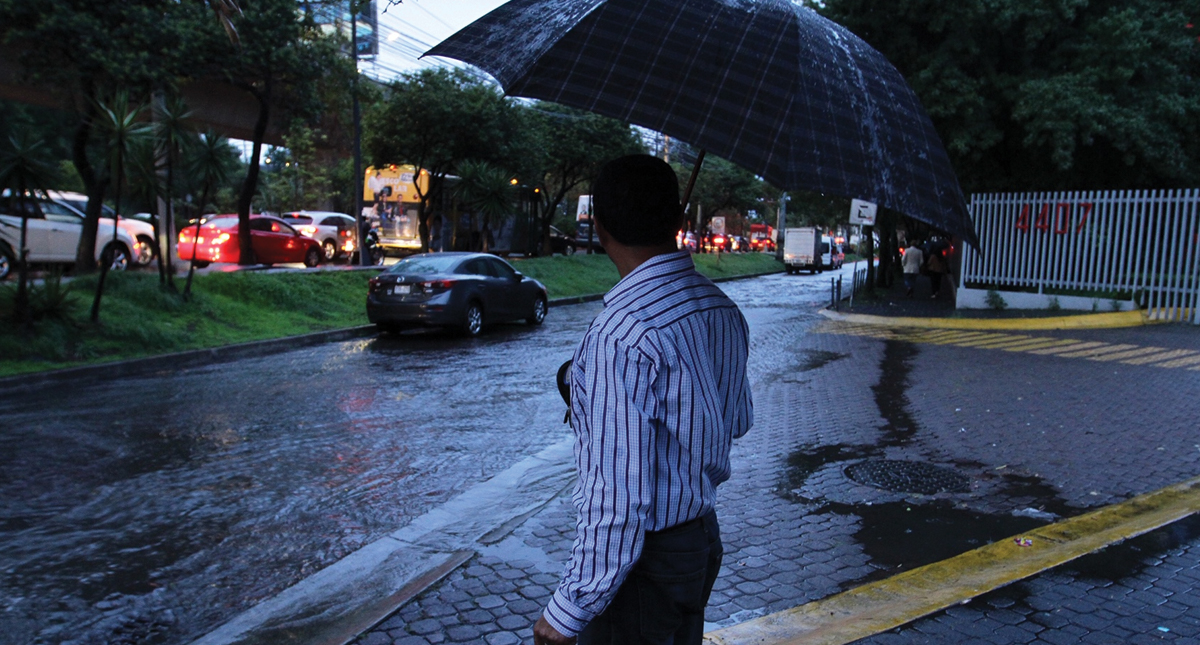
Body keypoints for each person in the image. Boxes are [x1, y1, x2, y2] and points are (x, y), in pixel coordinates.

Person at [533, 155, 754, 645]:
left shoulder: (621, 335)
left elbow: (618, 500)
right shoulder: (723, 309)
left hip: (642, 571)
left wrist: (569, 610)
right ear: (678, 221)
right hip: (698, 544)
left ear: (598, 226)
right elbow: (735, 419)